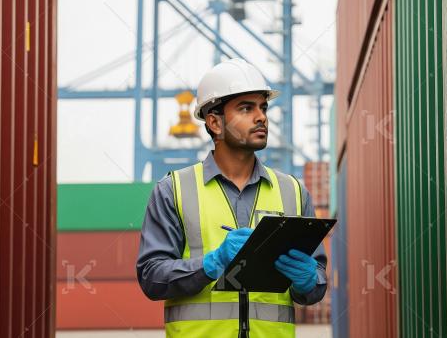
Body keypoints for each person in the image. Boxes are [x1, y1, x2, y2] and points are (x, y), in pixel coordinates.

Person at [136, 58, 328, 338]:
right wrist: (210, 263)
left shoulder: (294, 192)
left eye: (263, 107)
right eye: (246, 108)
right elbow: (152, 278)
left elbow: (316, 285)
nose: (261, 117)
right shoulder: (173, 190)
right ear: (214, 122)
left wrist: (310, 281)